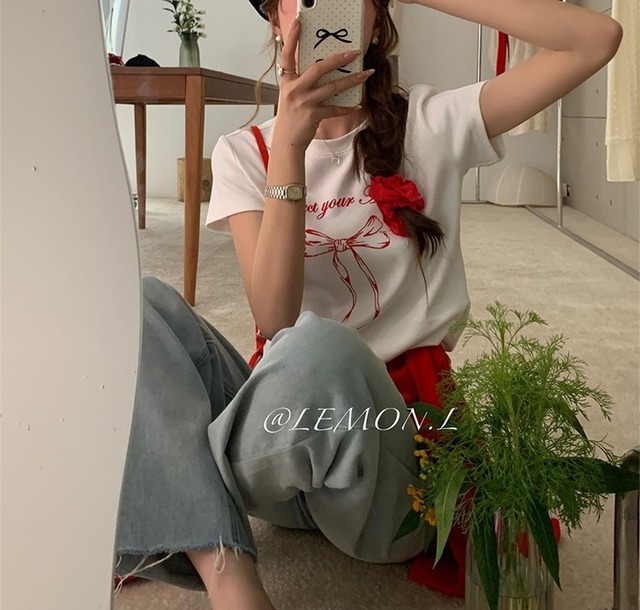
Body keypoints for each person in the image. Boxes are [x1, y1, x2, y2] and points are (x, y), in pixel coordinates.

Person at [113, 0, 621, 608]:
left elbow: (594, 40)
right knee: (138, 305)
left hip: (388, 458)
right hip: (281, 443)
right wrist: (290, 148)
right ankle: (228, 574)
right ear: (276, 20)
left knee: (321, 344)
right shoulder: (243, 151)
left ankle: (183, 489)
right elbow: (273, 319)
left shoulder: (431, 123)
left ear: (376, 18)